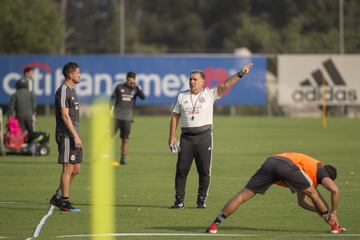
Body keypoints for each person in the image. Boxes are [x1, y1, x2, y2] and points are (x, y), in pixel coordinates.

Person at [169, 63, 253, 209]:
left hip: (204, 137)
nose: (192, 81)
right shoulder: (182, 96)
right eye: (190, 79)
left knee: (204, 170)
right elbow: (175, 116)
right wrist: (172, 136)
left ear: (202, 82)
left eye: (195, 79)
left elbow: (226, 84)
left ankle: (201, 200)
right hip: (186, 138)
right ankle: (179, 201)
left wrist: (240, 74)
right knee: (181, 169)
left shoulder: (209, 94)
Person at [206, 152, 346, 234]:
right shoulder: (321, 170)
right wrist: (332, 212)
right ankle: (335, 227)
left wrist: (320, 211)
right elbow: (335, 190)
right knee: (314, 194)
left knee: (243, 195)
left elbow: (302, 202)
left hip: (271, 161)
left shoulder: (306, 173)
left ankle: (215, 224)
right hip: (286, 165)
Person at [50, 62, 82, 212]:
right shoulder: (63, 90)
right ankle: (64, 202)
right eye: (77, 73)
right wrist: (75, 136)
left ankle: (58, 196)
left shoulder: (72, 91)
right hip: (66, 135)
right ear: (70, 75)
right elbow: (64, 115)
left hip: (73, 134)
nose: (79, 75)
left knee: (76, 169)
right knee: (68, 168)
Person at [109, 71, 145, 166]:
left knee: (125, 139)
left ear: (134, 80)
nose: (130, 82)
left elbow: (143, 97)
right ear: (127, 79)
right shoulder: (119, 87)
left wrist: (137, 87)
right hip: (116, 117)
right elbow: (112, 98)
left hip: (127, 118)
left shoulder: (135, 89)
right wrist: (110, 110)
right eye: (129, 80)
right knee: (108, 137)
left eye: (132, 80)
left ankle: (123, 159)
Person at [9, 77, 36, 141]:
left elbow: (11, 107)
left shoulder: (15, 94)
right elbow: (34, 106)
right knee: (30, 130)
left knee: (21, 131)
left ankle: (21, 144)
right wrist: (33, 113)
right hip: (29, 115)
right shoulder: (31, 94)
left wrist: (10, 116)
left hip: (19, 115)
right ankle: (31, 144)